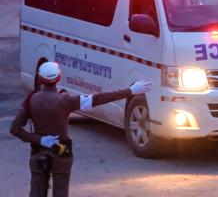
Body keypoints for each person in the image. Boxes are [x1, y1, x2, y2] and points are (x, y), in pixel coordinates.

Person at [10, 62, 153, 197]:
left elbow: (15, 129)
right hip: (61, 153)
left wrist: (40, 140)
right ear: (59, 78)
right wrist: (131, 90)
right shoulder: (66, 101)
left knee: (36, 192)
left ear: (40, 79)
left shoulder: (31, 100)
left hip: (38, 154)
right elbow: (99, 98)